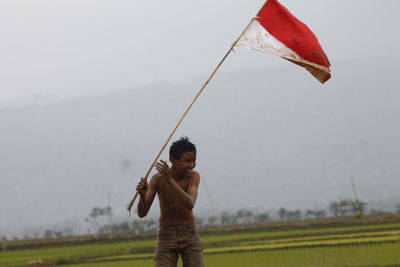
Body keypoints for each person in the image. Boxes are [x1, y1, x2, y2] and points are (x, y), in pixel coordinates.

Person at [136, 136, 204, 267]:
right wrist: (142, 195)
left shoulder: (194, 176)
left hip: (189, 232)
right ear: (173, 160)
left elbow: (190, 203)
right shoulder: (157, 179)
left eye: (194, 160)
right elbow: (142, 213)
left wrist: (170, 180)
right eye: (187, 161)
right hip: (166, 234)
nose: (192, 165)